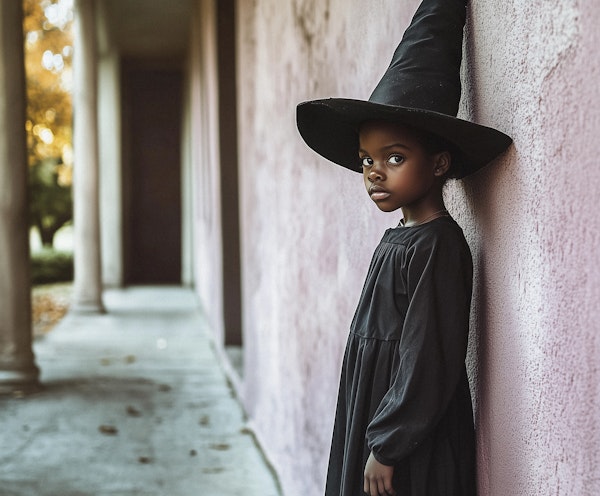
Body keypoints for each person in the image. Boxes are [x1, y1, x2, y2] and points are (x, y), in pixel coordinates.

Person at [296, 0, 512, 495]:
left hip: (409, 437)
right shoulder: (400, 237)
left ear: (439, 165)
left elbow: (428, 357)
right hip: (376, 413)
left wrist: (387, 445)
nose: (373, 172)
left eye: (394, 157)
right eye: (366, 158)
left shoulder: (439, 245)